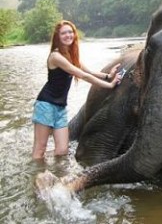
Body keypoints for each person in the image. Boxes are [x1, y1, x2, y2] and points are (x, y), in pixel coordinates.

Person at [32, 20, 122, 160]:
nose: (68, 35)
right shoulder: (56, 56)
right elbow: (82, 75)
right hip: (46, 105)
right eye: (63, 33)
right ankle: (35, 175)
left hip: (60, 107)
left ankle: (47, 169)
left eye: (70, 32)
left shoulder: (70, 54)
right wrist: (109, 85)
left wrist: (108, 76)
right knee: (40, 149)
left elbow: (89, 71)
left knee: (62, 150)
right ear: (57, 37)